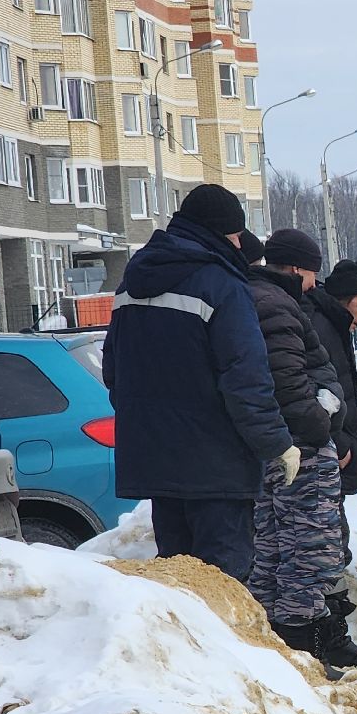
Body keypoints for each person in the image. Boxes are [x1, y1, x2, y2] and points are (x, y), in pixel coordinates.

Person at [104, 184, 296, 583]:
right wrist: (276, 443)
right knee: (222, 585)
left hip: (157, 463)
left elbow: (114, 374)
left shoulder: (131, 283)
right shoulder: (222, 284)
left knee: (180, 584)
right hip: (216, 468)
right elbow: (245, 379)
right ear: (224, 233)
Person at [245, 228, 357, 667]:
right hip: (299, 448)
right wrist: (323, 428)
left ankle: (278, 644)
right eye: (311, 274)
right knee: (310, 552)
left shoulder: (263, 300)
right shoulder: (279, 306)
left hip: (279, 445)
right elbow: (292, 381)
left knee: (275, 548)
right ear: (298, 268)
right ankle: (302, 646)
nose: (313, 284)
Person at [306, 258, 357, 658]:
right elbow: (320, 393)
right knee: (327, 549)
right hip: (327, 455)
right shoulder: (321, 326)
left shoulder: (333, 324)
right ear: (342, 299)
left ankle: (333, 636)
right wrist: (340, 442)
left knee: (334, 544)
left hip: (334, 451)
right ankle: (329, 640)